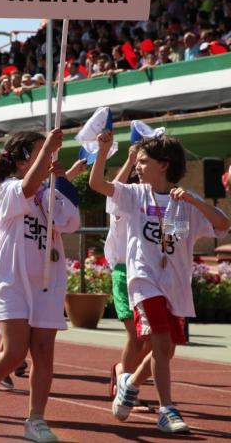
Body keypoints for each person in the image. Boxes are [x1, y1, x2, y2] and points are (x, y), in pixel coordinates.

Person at [90, 130, 230, 433]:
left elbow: (223, 224)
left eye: (143, 162)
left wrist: (196, 201)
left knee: (165, 350)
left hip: (174, 285)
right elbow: (98, 184)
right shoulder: (135, 195)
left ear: (163, 164)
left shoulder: (185, 204)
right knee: (161, 341)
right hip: (144, 280)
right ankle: (168, 410)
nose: (138, 167)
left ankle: (130, 383)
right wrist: (102, 151)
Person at [0, 128, 80, 443]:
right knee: (16, 350)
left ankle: (36, 420)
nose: (48, 158)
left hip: (48, 280)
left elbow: (69, 223)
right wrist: (47, 150)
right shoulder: (7, 189)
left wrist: (63, 184)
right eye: (38, 153)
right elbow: (28, 187)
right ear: (21, 159)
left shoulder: (50, 190)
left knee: (44, 351)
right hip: (13, 279)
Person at [105, 145, 152, 411]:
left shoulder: (154, 202)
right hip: (124, 273)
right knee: (136, 338)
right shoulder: (123, 200)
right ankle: (125, 383)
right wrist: (130, 159)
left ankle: (124, 373)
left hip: (150, 273)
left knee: (151, 340)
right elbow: (113, 186)